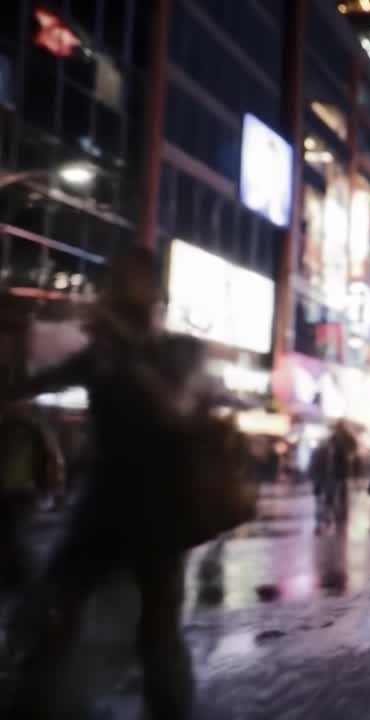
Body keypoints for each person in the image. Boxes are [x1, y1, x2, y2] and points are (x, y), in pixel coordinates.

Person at [3, 246, 208, 719]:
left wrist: (126, 352)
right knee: (56, 604)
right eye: (116, 277)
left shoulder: (175, 351)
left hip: (156, 515)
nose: (115, 286)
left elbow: (175, 411)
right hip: (101, 506)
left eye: (129, 278)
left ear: (154, 292)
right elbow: (46, 379)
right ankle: (30, 699)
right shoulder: (105, 349)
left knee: (157, 635)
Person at [0, 404, 64, 587]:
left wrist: (51, 486)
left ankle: (22, 575)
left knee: (14, 534)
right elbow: (52, 459)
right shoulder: (29, 430)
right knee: (12, 534)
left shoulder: (28, 430)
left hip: (21, 491)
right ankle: (17, 575)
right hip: (19, 491)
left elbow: (51, 460)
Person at [309, 419, 358, 534]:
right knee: (333, 494)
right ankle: (334, 515)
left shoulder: (343, 438)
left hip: (339, 472)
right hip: (334, 472)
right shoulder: (333, 440)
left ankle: (336, 515)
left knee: (337, 493)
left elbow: (351, 451)